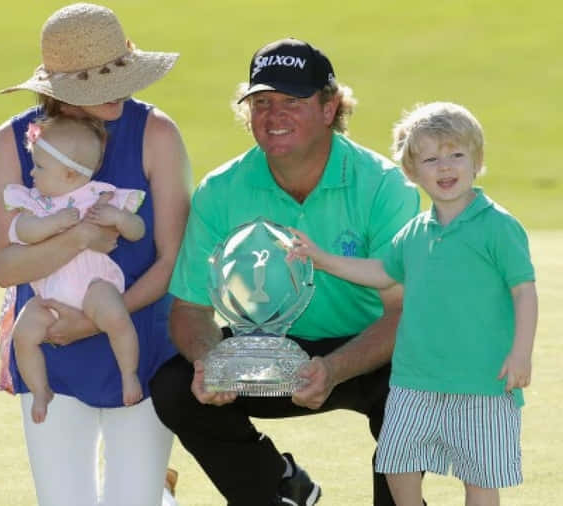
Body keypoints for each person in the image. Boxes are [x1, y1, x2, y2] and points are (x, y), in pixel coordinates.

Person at [149, 37, 421, 506]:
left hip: (368, 350)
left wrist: (333, 369)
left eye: (292, 101)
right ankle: (276, 489)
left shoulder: (383, 185)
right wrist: (211, 365)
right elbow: (190, 311)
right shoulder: (222, 190)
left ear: (330, 107)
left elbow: (405, 313)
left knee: (415, 384)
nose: (273, 116)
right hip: (263, 352)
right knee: (176, 387)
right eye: (261, 102)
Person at [0, 3, 191, 505]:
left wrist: (96, 322)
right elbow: (4, 267)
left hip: (140, 344)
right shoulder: (12, 142)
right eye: (102, 83)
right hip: (50, 346)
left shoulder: (157, 133)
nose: (121, 92)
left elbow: (172, 261)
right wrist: (78, 238)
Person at [293, 102, 538, 506]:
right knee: (396, 462)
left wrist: (521, 353)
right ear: (412, 171)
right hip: (414, 380)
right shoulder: (415, 232)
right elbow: (382, 272)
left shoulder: (498, 226)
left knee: (479, 479)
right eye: (430, 158)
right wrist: (321, 258)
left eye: (456, 154)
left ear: (476, 161)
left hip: (483, 382)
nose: (445, 167)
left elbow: (524, 291)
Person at [6, 116, 149, 422]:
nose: (31, 173)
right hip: (48, 295)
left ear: (70, 173)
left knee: (115, 316)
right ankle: (40, 389)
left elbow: (137, 230)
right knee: (23, 334)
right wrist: (51, 224)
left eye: (40, 167)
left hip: (92, 284)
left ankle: (129, 374)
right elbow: (21, 231)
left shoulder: (100, 197)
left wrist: (120, 219)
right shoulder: (37, 203)